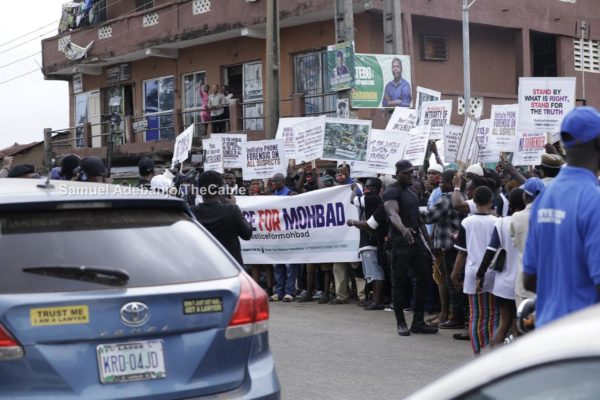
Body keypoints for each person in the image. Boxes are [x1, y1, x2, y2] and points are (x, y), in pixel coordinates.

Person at [523, 106, 600, 328]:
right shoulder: (593, 199)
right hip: (582, 339)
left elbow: (529, 278)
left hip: (548, 333)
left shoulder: (544, 198)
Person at [384, 160, 438, 336]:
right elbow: (392, 212)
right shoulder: (392, 191)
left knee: (423, 278)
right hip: (399, 241)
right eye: (406, 173)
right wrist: (402, 229)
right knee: (399, 282)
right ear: (398, 173)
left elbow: (418, 218)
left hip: (415, 240)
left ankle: (418, 322)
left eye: (412, 172)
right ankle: (401, 322)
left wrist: (428, 240)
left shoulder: (412, 191)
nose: (410, 175)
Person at [451, 186, 499, 354]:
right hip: (493, 273)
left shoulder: (466, 222)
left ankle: (477, 353)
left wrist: (454, 274)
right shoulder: (497, 222)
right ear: (490, 201)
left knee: (476, 314)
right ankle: (491, 350)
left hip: (472, 272)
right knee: (493, 314)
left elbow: (462, 253)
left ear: (474, 202)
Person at [476, 188, 526, 346]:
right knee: (519, 328)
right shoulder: (527, 221)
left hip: (502, 284)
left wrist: (480, 274)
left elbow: (490, 251)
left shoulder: (501, 222)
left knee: (503, 324)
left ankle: (493, 360)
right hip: (522, 284)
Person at [190, 171, 252, 265]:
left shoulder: (190, 212)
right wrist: (235, 207)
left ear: (199, 190)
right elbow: (247, 234)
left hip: (203, 267)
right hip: (230, 268)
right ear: (221, 189)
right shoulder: (232, 210)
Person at [509, 178, 544, 309]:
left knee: (526, 325)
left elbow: (515, 242)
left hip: (524, 280)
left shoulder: (517, 217)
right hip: (547, 280)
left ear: (525, 196)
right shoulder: (551, 215)